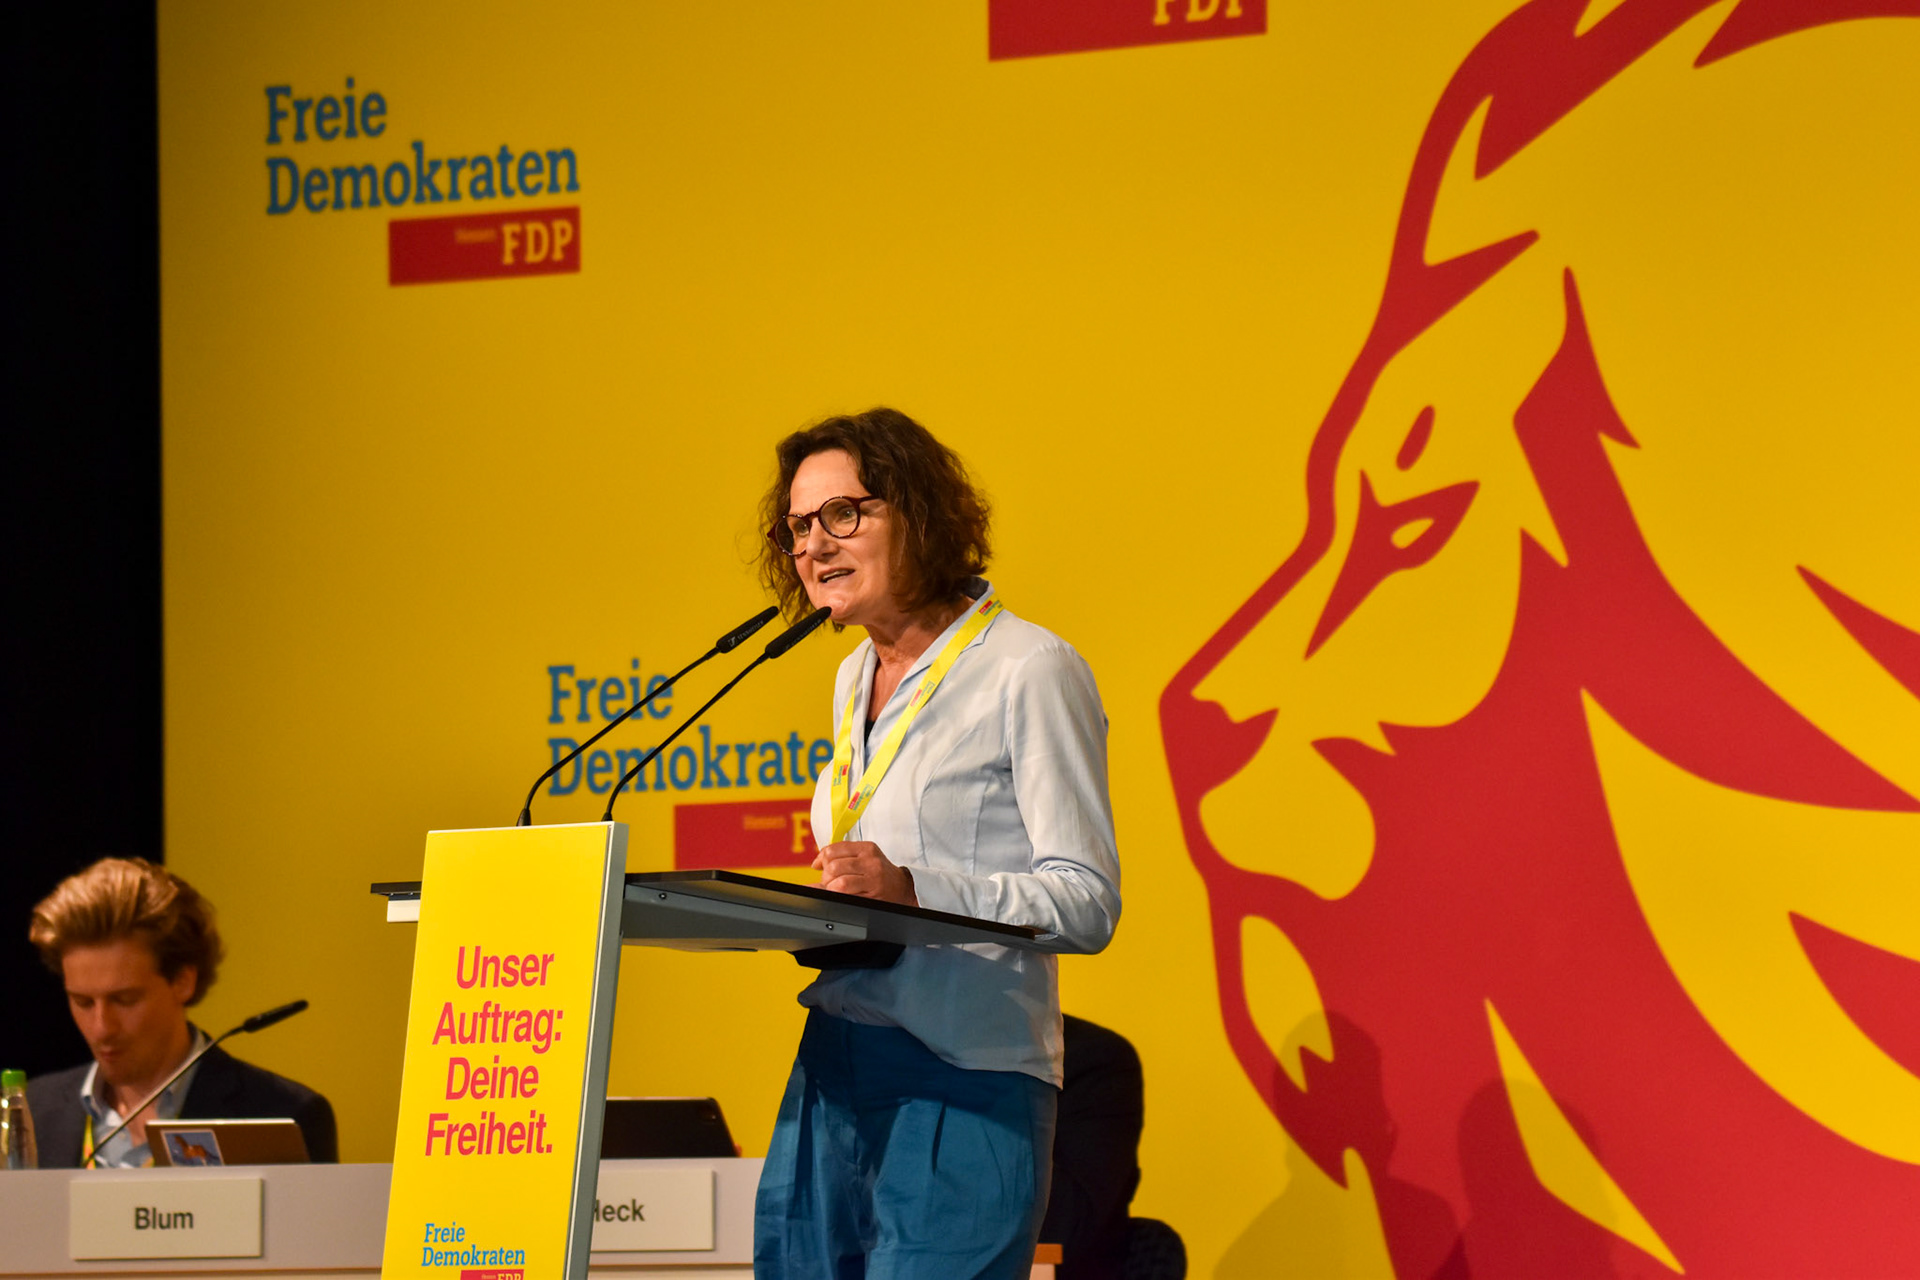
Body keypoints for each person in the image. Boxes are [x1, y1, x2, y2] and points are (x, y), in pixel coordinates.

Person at [751, 407, 1122, 1280]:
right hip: (832, 1065)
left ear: (916, 514)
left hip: (965, 1074)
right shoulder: (852, 675)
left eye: (842, 514)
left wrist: (917, 889)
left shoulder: (1028, 668)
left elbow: (1087, 901)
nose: (814, 545)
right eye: (798, 527)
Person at [25, 857, 336, 1167]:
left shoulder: (284, 1116)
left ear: (183, 982)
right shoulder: (31, 1111)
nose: (101, 1028)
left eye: (125, 1000)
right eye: (83, 1002)